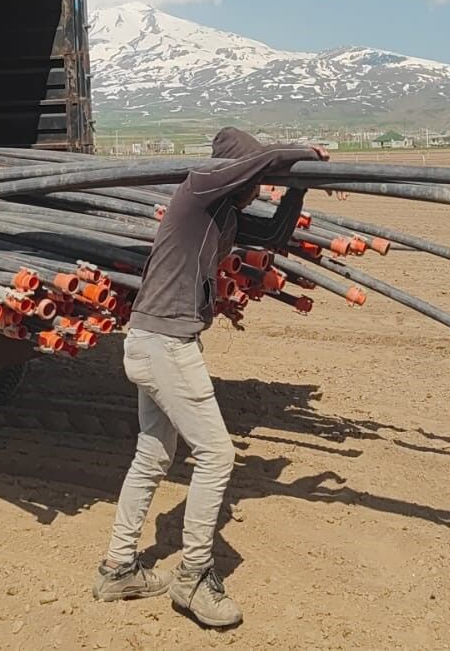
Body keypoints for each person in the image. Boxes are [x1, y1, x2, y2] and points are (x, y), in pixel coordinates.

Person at [93, 127, 325, 628]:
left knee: (153, 456)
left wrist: (299, 184)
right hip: (165, 346)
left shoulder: (222, 215)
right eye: (256, 178)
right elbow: (256, 165)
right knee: (217, 455)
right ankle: (193, 576)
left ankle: (118, 569)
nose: (258, 188)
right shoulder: (198, 189)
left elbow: (275, 236)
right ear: (234, 170)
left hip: (155, 342)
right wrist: (302, 153)